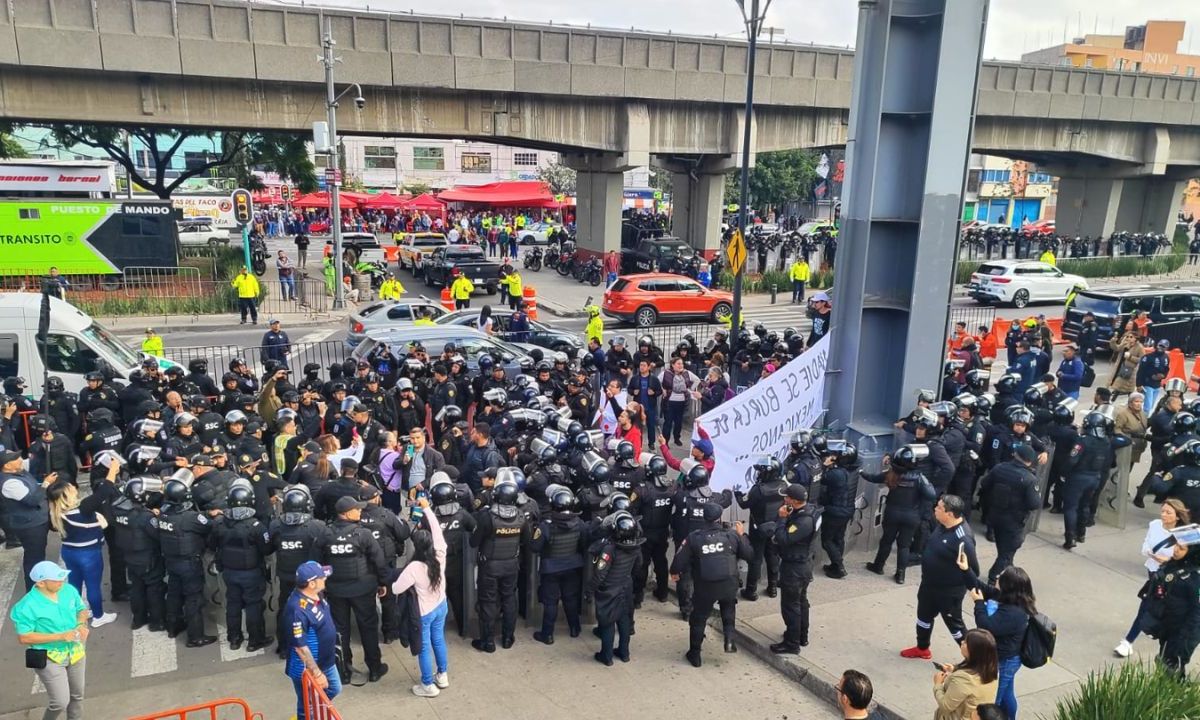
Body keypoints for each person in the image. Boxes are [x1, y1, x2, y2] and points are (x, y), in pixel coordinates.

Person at [314, 495, 391, 683]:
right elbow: (378, 560)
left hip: (336, 591)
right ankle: (374, 668)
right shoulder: (363, 534)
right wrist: (383, 583)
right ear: (347, 513)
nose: (360, 511)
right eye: (357, 509)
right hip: (362, 589)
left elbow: (315, 562)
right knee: (368, 629)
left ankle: (344, 670)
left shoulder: (326, 534)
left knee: (340, 631)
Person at [670, 502, 752, 667]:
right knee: (728, 608)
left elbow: (678, 562)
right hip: (729, 584)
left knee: (698, 619)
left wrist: (674, 573)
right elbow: (749, 554)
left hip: (706, 587)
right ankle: (729, 641)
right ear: (719, 517)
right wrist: (742, 535)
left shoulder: (694, 538)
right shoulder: (731, 535)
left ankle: (695, 655)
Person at [901, 495, 979, 660]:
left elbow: (973, 570)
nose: (935, 509)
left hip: (948, 593)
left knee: (955, 626)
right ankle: (922, 648)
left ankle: (973, 659)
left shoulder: (963, 539)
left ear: (949, 514)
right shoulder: (942, 525)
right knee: (923, 617)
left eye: (939, 508)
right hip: (929, 585)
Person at [11, 561, 89, 720]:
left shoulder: (68, 590)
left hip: (75, 652)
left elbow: (81, 610)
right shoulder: (27, 606)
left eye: (61, 578)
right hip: (50, 657)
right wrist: (60, 636)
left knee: (77, 696)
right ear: (40, 583)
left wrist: (81, 624)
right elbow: (24, 637)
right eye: (55, 580)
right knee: (60, 702)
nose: (61, 582)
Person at [1114, 498, 1189, 658]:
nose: (1164, 515)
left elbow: (1187, 559)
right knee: (1147, 605)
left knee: (1165, 608)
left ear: (1177, 516)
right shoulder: (1154, 525)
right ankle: (1128, 642)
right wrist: (1151, 554)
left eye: (1168, 512)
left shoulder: (1184, 534)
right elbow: (1146, 545)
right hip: (1155, 573)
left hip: (1173, 577)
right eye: (1162, 511)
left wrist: (1167, 560)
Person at [391, 497, 451, 697]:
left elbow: (396, 589)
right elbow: (437, 531)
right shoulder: (440, 553)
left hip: (424, 613)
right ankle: (442, 675)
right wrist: (427, 509)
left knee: (424, 647)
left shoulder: (414, 568)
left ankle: (427, 685)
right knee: (439, 640)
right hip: (441, 605)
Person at [961, 560, 1035, 720]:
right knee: (1007, 694)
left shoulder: (1015, 613)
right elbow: (979, 587)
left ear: (1008, 586)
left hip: (1005, 661)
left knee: (993, 701)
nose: (997, 577)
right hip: (1006, 659)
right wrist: (966, 570)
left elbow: (987, 626)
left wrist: (978, 603)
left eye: (1001, 578)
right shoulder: (1008, 598)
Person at [46, 469, 119, 628]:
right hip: (89, 553)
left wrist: (47, 485)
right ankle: (99, 616)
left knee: (74, 584)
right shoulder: (84, 508)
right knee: (93, 586)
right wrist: (113, 470)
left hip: (69, 552)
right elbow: (105, 490)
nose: (73, 487)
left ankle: (77, 613)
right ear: (66, 495)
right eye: (70, 488)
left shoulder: (55, 513)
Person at [865, 445, 936, 584]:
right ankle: (900, 574)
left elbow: (873, 478)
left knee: (886, 541)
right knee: (904, 546)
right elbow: (931, 494)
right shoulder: (919, 478)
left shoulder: (891, 474)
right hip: (911, 516)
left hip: (892, 513)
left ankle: (878, 566)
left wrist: (861, 471)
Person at [284, 561, 342, 720]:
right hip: (308, 669)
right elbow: (300, 647)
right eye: (322, 577)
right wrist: (316, 673)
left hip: (326, 661)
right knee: (306, 705)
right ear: (311, 583)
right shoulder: (297, 610)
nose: (325, 579)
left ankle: (317, 713)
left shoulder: (316, 594)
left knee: (334, 688)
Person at [976, 445, 1040, 584]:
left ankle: (1009, 573)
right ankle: (994, 578)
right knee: (1006, 553)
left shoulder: (1000, 468)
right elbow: (1034, 503)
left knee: (1004, 550)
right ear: (1029, 460)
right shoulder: (1029, 478)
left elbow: (985, 483)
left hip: (995, 516)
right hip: (1014, 521)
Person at [770, 484, 820, 655]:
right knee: (801, 602)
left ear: (794, 500)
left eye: (787, 497)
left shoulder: (804, 521)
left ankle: (792, 644)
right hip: (803, 564)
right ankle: (801, 635)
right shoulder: (809, 511)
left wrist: (782, 518)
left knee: (791, 606)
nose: (784, 499)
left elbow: (783, 538)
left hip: (795, 567)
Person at [1145, 539, 1200, 677]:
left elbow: (1197, 613)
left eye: (1181, 548)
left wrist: (1185, 643)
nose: (1176, 550)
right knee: (1163, 661)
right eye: (1176, 546)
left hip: (1182, 634)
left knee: (1172, 668)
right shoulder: (1173, 566)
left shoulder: (1195, 578)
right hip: (1168, 626)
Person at [2, 449, 53, 590]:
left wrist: (45, 445)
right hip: (29, 526)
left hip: (36, 521)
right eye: (15, 458)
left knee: (39, 554)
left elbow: (35, 460)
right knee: (34, 558)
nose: (20, 459)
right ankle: (33, 590)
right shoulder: (9, 483)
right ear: (7, 466)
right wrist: (46, 484)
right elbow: (32, 500)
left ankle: (38, 583)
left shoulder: (17, 471)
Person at [933, 629, 999, 720]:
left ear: (974, 650)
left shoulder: (964, 679)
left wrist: (938, 684)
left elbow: (946, 706)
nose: (962, 642)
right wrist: (954, 669)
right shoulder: (990, 670)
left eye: (966, 642)